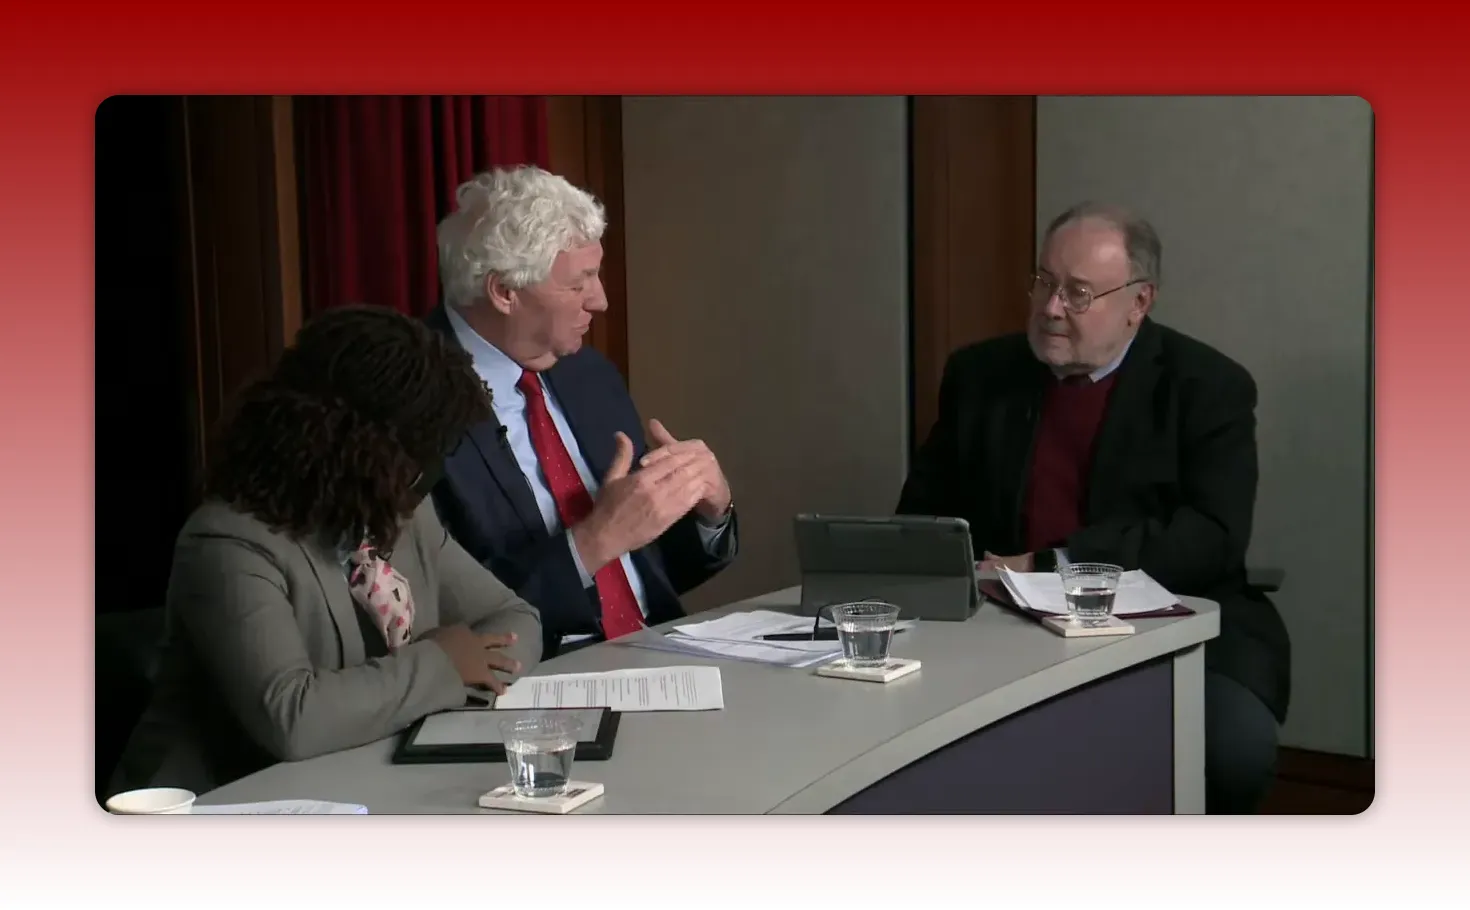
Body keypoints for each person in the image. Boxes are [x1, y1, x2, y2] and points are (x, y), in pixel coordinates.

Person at [897, 202, 1291, 814]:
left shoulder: (1207, 386)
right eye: (1044, 283)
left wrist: (1054, 564)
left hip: (1170, 622)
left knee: (1228, 748)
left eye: (1078, 293)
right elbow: (922, 516)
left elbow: (1211, 536)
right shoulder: (980, 374)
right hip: (1002, 626)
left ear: (1139, 302)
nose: (1051, 308)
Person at [110, 305, 544, 798]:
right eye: (416, 456)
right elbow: (294, 716)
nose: (425, 477)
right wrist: (443, 665)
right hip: (211, 811)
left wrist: (472, 670)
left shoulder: (401, 514)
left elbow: (513, 616)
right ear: (359, 448)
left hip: (362, 786)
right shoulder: (228, 542)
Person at [425, 166, 738, 657]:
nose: (602, 300)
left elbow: (650, 571)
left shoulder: (589, 375)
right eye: (580, 284)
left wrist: (704, 511)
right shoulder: (405, 398)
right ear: (505, 291)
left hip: (658, 655)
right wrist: (591, 543)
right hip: (529, 681)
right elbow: (440, 618)